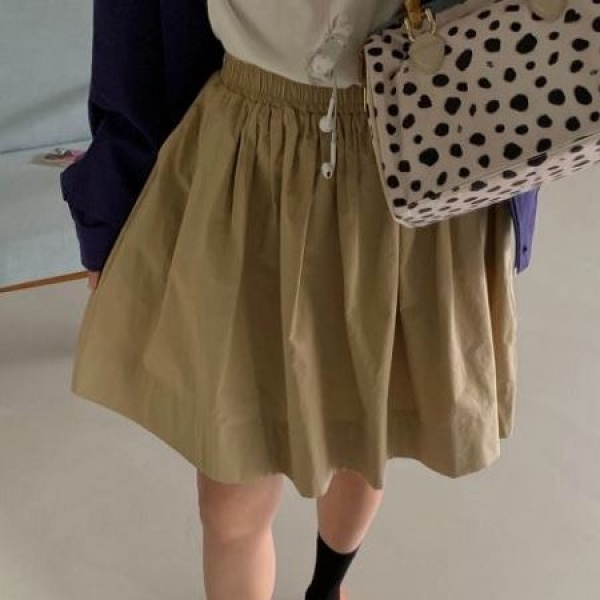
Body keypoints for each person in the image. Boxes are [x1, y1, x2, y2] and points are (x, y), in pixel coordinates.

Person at [59, 1, 538, 599]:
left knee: (365, 427)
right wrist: (109, 219)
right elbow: (133, 48)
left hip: (416, 149)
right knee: (231, 479)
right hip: (246, 161)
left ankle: (327, 588)